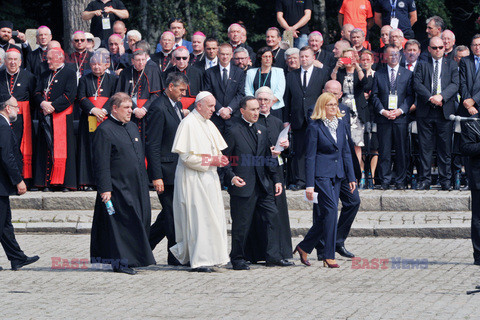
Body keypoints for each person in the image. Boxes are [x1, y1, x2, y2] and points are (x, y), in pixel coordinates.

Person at [223, 96, 292, 270]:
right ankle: (237, 258)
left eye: (257, 109)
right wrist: (231, 177)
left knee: (273, 217)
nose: (256, 112)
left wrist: (276, 179)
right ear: (242, 111)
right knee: (241, 224)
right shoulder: (232, 130)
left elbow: (268, 157)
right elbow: (224, 159)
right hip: (242, 184)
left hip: (263, 184)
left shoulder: (261, 129)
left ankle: (273, 256)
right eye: (252, 109)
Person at [91, 92, 155, 275]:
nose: (130, 111)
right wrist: (105, 189)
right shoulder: (104, 130)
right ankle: (120, 262)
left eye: (131, 107)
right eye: (126, 108)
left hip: (137, 185)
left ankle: (134, 258)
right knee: (120, 225)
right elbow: (100, 162)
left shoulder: (133, 127)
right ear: (114, 108)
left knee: (139, 221)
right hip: (116, 188)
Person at [293, 92, 356, 268]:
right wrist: (310, 184)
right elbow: (310, 157)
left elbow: (345, 152)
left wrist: (351, 176)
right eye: (329, 105)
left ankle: (304, 246)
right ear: (322, 107)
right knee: (331, 210)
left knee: (326, 215)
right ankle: (328, 255)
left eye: (335, 104)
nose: (333, 108)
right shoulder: (315, 127)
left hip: (338, 174)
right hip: (321, 175)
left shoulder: (341, 124)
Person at [169, 91, 230, 272]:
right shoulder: (188, 123)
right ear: (199, 105)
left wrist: (219, 159)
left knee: (212, 217)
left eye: (214, 106)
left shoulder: (208, 123)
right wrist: (212, 160)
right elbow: (187, 157)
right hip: (193, 179)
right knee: (198, 219)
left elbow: (215, 149)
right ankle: (200, 259)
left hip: (209, 178)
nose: (214, 109)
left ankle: (212, 257)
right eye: (210, 106)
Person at [244, 87, 293, 264]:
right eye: (260, 100)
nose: (263, 103)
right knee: (257, 213)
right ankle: (255, 254)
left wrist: (285, 148)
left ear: (273, 102)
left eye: (266, 100)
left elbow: (287, 153)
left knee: (276, 213)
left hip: (275, 171)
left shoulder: (277, 122)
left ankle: (279, 252)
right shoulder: (250, 122)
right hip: (256, 171)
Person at [145, 72, 188, 266]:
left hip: (177, 170)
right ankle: (175, 257)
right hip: (164, 172)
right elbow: (152, 144)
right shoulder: (158, 107)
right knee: (171, 216)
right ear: (170, 87)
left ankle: (143, 248)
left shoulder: (176, 105)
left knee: (167, 216)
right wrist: (156, 176)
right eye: (181, 90)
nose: (183, 94)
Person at [317, 80, 361, 258]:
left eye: (336, 94)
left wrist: (352, 174)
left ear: (341, 95)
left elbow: (346, 145)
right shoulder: (315, 111)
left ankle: (337, 241)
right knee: (325, 209)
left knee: (353, 201)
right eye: (329, 92)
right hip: (325, 170)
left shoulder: (343, 111)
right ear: (322, 92)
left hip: (343, 166)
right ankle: (321, 247)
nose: (332, 97)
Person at [414, 36, 459, 191]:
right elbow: (417, 84)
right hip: (426, 111)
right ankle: (424, 180)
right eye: (435, 48)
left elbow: (455, 84)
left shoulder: (452, 64)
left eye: (441, 47)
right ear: (429, 49)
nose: (438, 50)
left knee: (445, 149)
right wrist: (431, 98)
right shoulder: (421, 64)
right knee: (425, 148)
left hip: (444, 111)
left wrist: (442, 97)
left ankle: (445, 180)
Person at [0, 95, 39, 271]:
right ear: (7, 108)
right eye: (16, 107)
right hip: (1, 184)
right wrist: (18, 180)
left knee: (5, 223)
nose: (18, 110)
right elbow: (7, 156)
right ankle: (17, 257)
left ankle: (17, 258)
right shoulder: (3, 126)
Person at [284, 46, 329, 190]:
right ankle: (300, 181)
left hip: (317, 118)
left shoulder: (322, 74)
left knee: (317, 150)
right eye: (301, 57)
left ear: (313, 58)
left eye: (306, 56)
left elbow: (325, 97)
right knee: (299, 151)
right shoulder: (291, 75)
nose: (304, 59)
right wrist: (286, 120)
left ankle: (317, 180)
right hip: (297, 119)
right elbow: (287, 99)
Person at [33, 47, 77, 192]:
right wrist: (42, 103)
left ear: (60, 58)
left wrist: (53, 106)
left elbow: (69, 95)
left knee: (63, 150)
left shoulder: (69, 73)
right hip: (45, 115)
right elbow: (37, 92)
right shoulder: (45, 73)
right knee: (45, 148)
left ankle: (63, 183)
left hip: (61, 117)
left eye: (50, 59)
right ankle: (45, 183)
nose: (48, 61)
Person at [371, 45, 414, 190]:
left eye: (396, 54)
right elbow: (374, 96)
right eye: (391, 55)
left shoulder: (407, 74)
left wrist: (400, 111)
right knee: (384, 151)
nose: (394, 57)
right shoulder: (379, 74)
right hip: (384, 118)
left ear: (400, 56)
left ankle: (401, 180)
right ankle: (385, 180)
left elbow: (410, 96)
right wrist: (383, 111)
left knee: (402, 151)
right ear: (385, 57)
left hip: (400, 118)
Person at [77, 50, 117, 191]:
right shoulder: (84, 79)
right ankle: (88, 181)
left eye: (100, 64)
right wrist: (93, 110)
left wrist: (104, 111)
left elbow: (114, 97)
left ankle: (107, 181)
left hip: (106, 118)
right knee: (89, 148)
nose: (96, 67)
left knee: (105, 149)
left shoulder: (113, 80)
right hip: (90, 118)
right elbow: (81, 97)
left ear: (106, 65)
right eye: (93, 64)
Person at [331, 48, 368, 187]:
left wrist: (357, 65)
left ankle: (358, 174)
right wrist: (336, 66)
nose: (348, 61)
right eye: (345, 58)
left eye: (350, 58)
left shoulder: (360, 71)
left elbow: (365, 83)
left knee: (357, 144)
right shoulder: (339, 72)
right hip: (342, 108)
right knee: (342, 142)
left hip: (357, 110)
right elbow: (332, 83)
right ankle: (345, 173)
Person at [0, 49, 36, 184]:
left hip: (22, 118)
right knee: (6, 146)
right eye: (9, 59)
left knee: (20, 146)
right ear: (5, 61)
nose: (13, 62)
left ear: (20, 62)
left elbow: (33, 99)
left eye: (16, 60)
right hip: (3, 117)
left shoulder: (29, 77)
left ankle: (23, 178)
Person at [116, 48, 163, 144]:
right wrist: (135, 109)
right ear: (132, 61)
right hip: (130, 112)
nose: (141, 63)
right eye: (138, 60)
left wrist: (144, 109)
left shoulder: (153, 71)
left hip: (148, 113)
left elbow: (157, 93)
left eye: (143, 60)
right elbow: (121, 94)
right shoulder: (125, 73)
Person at [204, 43, 246, 134]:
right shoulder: (209, 73)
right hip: (215, 116)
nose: (225, 57)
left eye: (227, 54)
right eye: (222, 54)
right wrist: (220, 110)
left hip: (234, 116)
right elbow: (208, 93)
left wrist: (229, 109)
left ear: (232, 55)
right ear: (218, 55)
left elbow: (241, 94)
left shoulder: (239, 72)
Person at [245, 47, 285, 120]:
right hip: (256, 109)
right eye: (265, 57)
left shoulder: (279, 72)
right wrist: (256, 104)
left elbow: (280, 91)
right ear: (260, 58)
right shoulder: (251, 72)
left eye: (270, 57)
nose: (268, 59)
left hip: (273, 108)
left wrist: (267, 104)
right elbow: (248, 90)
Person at [459, 34, 480, 118]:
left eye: (479, 45)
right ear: (471, 47)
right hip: (466, 106)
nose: (477, 47)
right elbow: (462, 83)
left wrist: (474, 100)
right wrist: (469, 105)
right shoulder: (465, 61)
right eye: (475, 45)